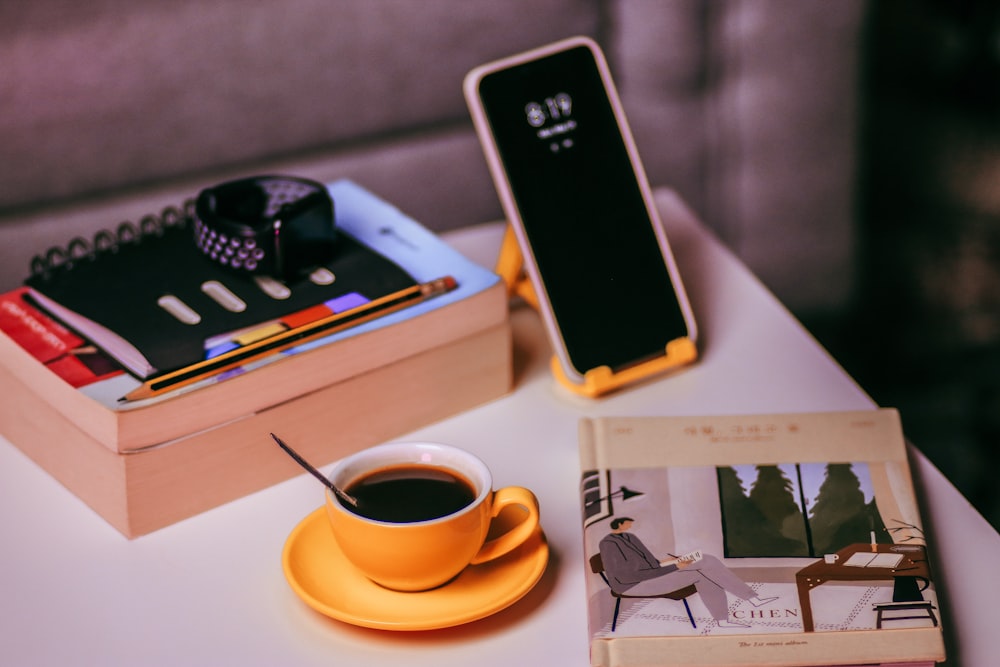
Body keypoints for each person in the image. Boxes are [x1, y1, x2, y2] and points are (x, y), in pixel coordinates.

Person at [599, 517, 778, 628]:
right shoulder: (608, 544)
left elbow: (650, 563)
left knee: (704, 563)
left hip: (651, 575)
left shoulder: (630, 537)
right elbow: (627, 575)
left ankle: (726, 619)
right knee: (705, 566)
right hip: (632, 586)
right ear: (620, 524)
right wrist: (675, 568)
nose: (631, 527)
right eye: (628, 524)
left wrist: (672, 561)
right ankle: (751, 600)